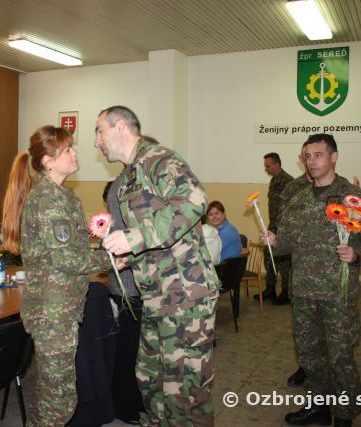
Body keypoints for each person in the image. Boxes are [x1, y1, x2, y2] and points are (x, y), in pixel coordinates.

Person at [95, 105, 219, 426]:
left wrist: (135, 237)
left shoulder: (157, 159)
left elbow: (194, 199)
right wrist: (131, 254)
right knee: (151, 382)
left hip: (184, 297)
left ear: (120, 127)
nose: (96, 142)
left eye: (99, 132)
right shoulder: (128, 177)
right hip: (155, 297)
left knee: (185, 394)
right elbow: (157, 235)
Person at [262, 134, 361, 427]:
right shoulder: (298, 198)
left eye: (318, 155)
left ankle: (344, 415)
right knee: (310, 354)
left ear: (334, 157)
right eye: (307, 156)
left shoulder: (353, 197)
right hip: (303, 292)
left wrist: (356, 254)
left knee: (340, 356)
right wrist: (274, 241)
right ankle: (318, 406)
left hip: (337, 294)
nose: (311, 161)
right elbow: (286, 243)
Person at [2, 125, 111, 426]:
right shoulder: (48, 199)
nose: (75, 154)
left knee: (53, 392)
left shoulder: (63, 197)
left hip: (62, 308)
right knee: (59, 398)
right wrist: (112, 258)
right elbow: (68, 259)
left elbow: (71, 249)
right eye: (67, 150)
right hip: (52, 312)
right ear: (48, 161)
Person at [102, 180, 145, 424]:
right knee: (127, 353)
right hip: (126, 292)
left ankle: (136, 401)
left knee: (138, 353)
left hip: (137, 292)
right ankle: (124, 406)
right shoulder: (114, 224)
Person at [258, 152, 293, 305]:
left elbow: (291, 208)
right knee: (269, 258)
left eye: (268, 166)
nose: (266, 169)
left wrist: (284, 229)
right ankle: (270, 288)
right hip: (273, 225)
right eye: (265, 166)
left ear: (277, 164)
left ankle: (286, 292)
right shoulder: (273, 180)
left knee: (284, 262)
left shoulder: (288, 182)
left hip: (284, 227)